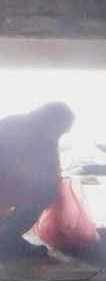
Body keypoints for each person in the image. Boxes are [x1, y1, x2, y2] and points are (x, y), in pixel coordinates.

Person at [0, 102, 75, 256]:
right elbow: (48, 172)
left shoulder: (15, 120)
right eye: (62, 130)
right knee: (45, 191)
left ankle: (7, 234)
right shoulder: (41, 136)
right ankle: (8, 238)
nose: (61, 134)